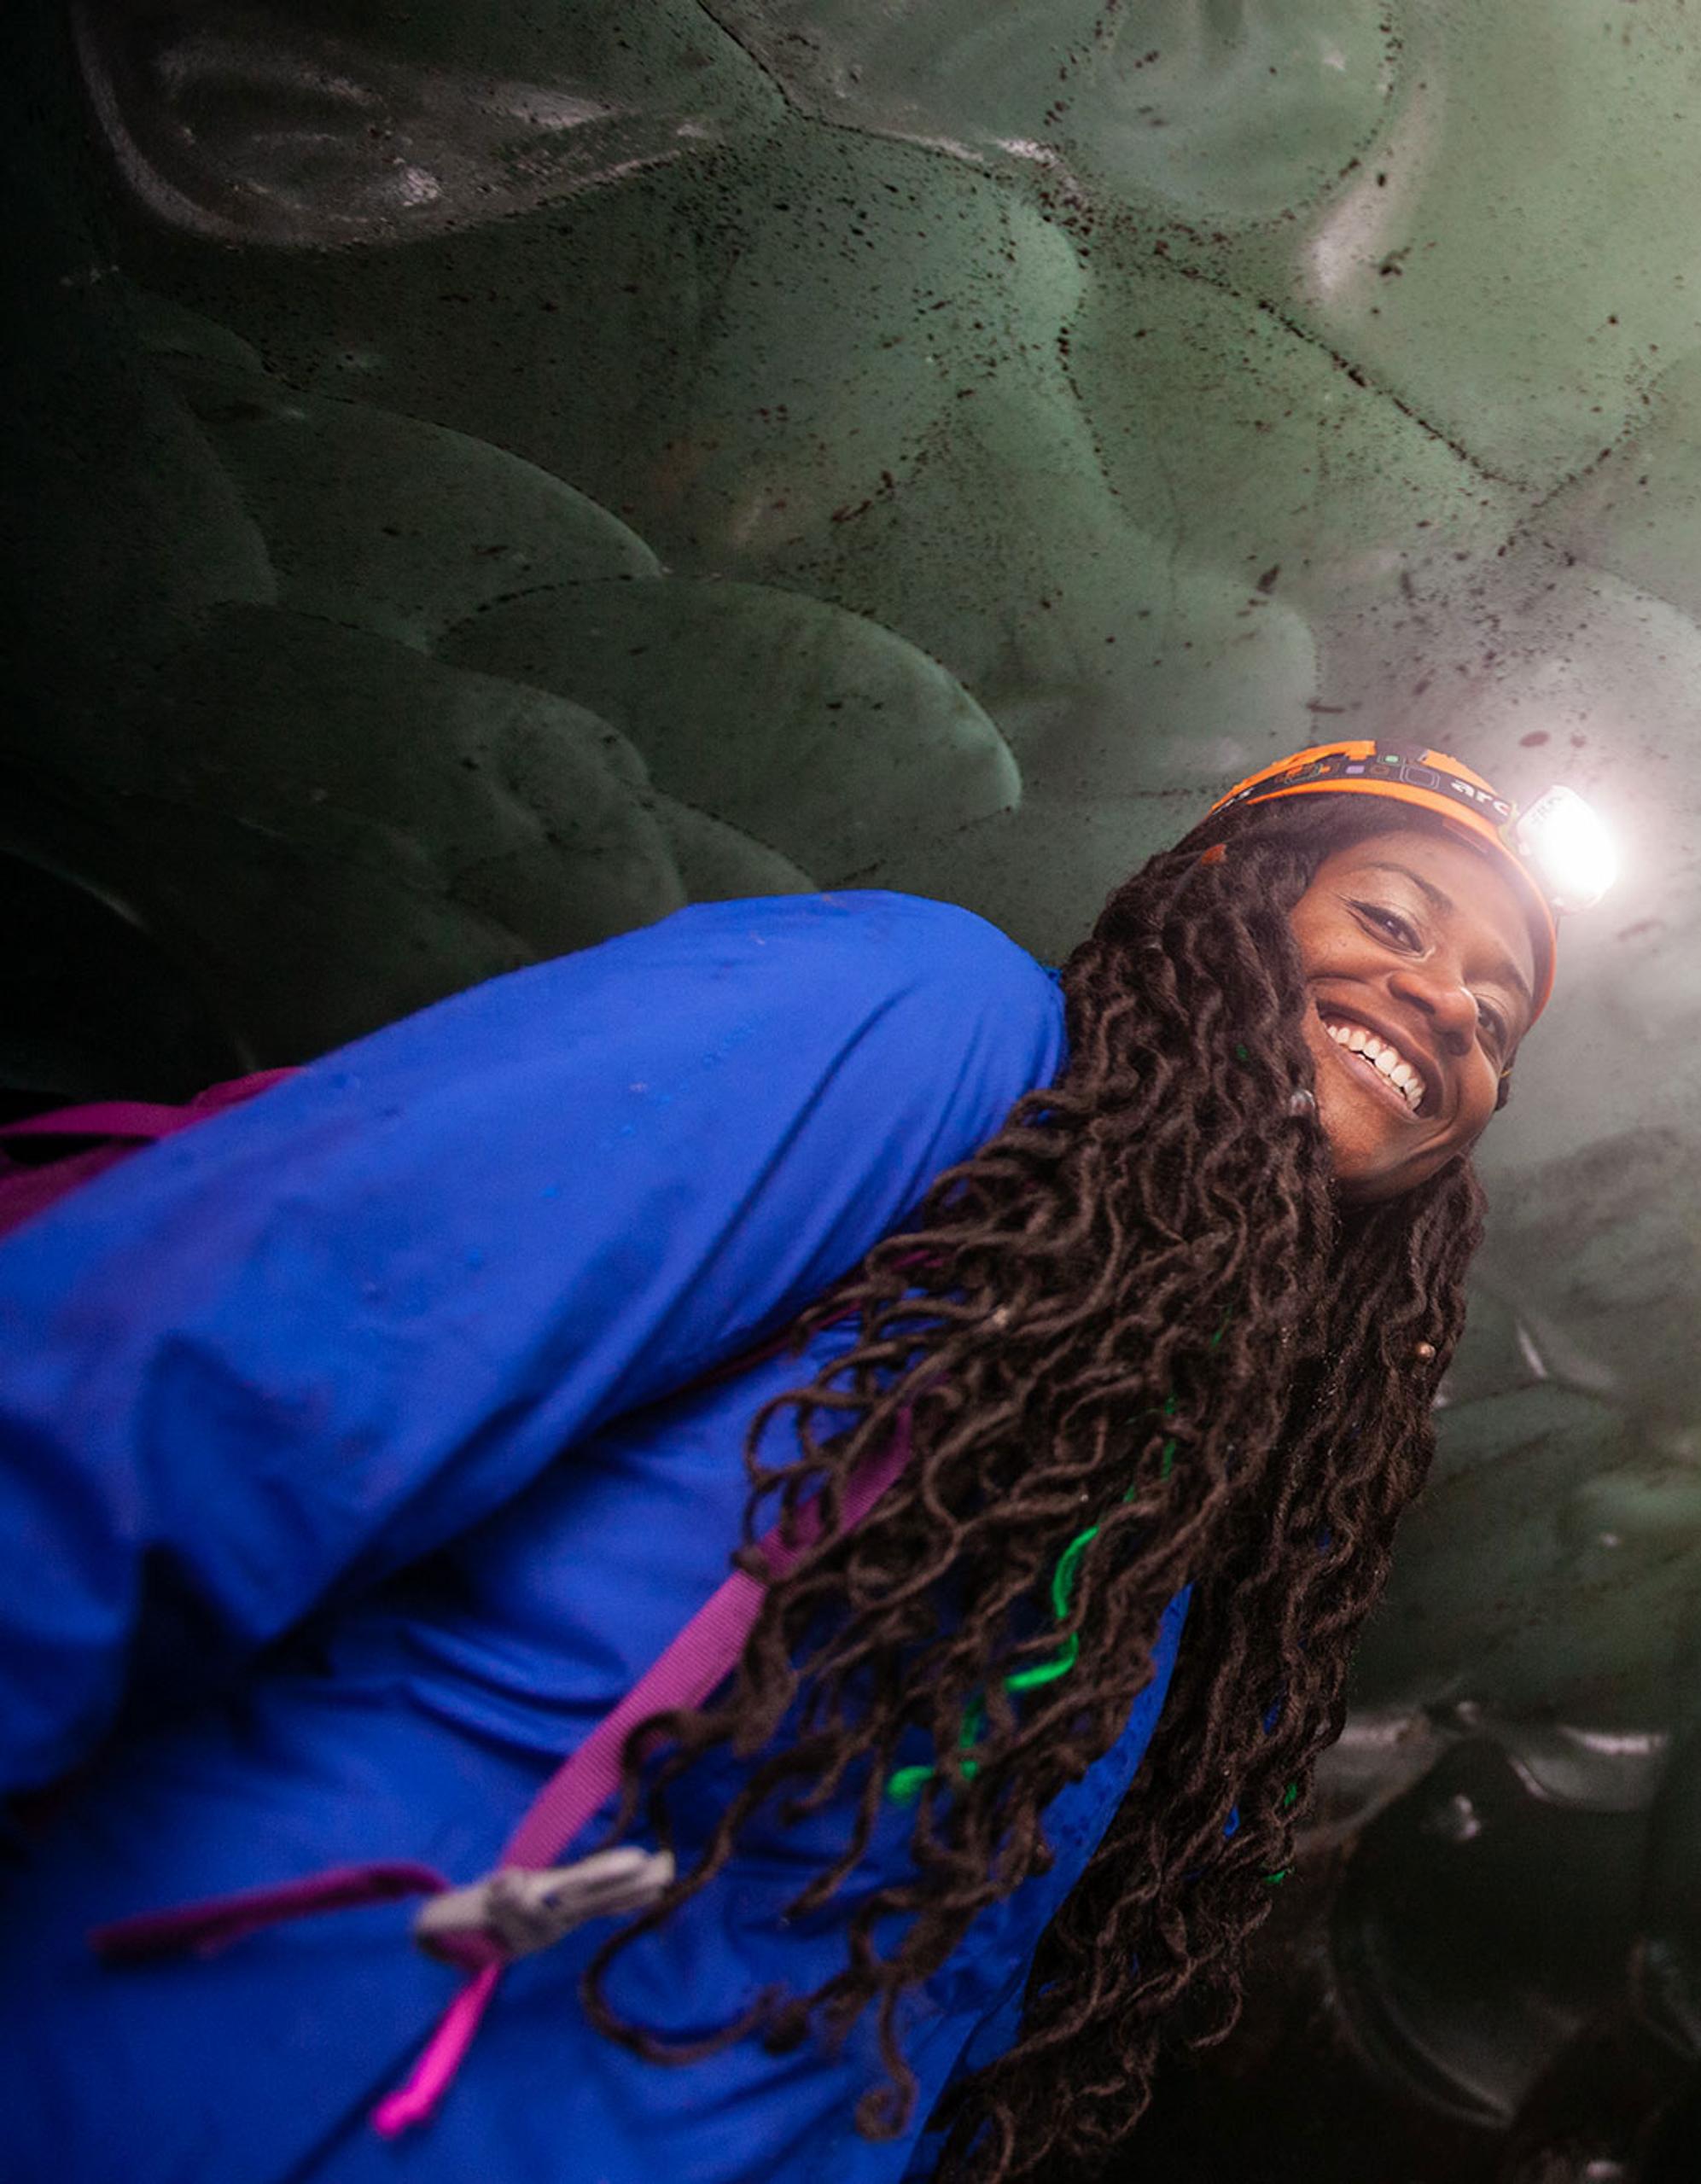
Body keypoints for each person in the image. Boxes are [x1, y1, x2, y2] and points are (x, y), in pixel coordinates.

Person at [0, 742, 1605, 2182]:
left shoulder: (1190, 1519)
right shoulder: (945, 1028)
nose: (1443, 1003)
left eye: (1494, 1019)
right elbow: (262, 1338)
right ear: (1222, 898)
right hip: (198, 2077)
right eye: (1392, 920)